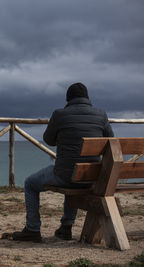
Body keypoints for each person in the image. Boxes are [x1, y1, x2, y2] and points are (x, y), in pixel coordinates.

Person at [12, 82, 114, 242]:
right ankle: (66, 227)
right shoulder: (101, 115)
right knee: (75, 172)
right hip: (91, 177)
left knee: (30, 183)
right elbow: (111, 142)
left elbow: (48, 139)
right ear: (87, 98)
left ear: (68, 99)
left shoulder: (60, 114)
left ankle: (32, 229)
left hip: (66, 175)